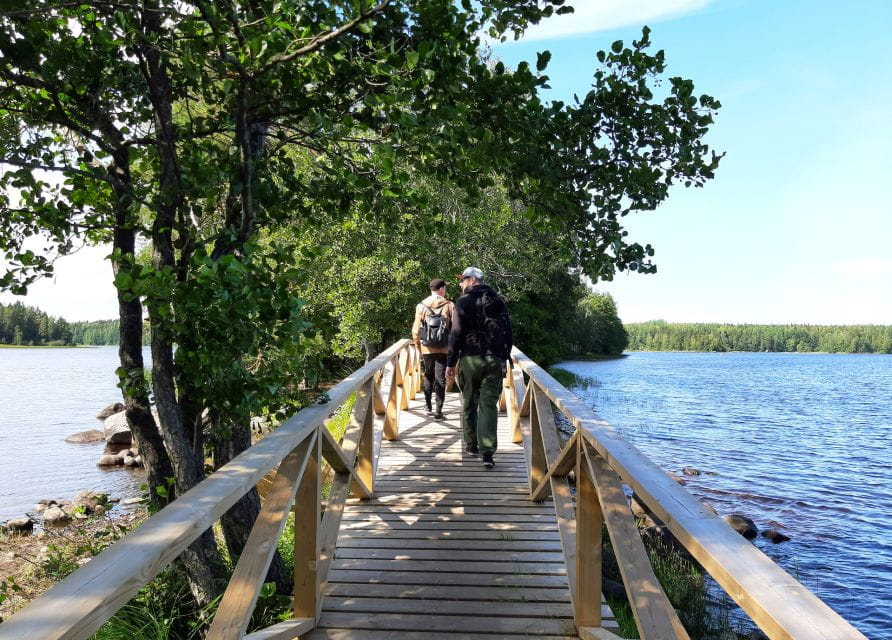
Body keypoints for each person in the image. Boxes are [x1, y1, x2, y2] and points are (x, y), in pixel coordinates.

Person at [446, 267, 512, 469]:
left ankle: (471, 445)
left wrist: (450, 362)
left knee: (469, 401)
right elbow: (508, 332)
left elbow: (456, 334)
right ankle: (488, 454)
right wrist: (504, 357)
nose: (460, 283)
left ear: (473, 280)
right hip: (493, 359)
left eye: (463, 279)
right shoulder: (498, 301)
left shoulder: (463, 302)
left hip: (470, 358)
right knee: (488, 406)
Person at [412, 278, 454, 420]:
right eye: (445, 288)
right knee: (440, 378)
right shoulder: (449, 305)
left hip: (427, 348)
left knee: (428, 375)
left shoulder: (421, 306)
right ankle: (438, 410)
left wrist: (418, 346)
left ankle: (428, 405)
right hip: (443, 348)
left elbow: (416, 330)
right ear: (441, 289)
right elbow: (455, 329)